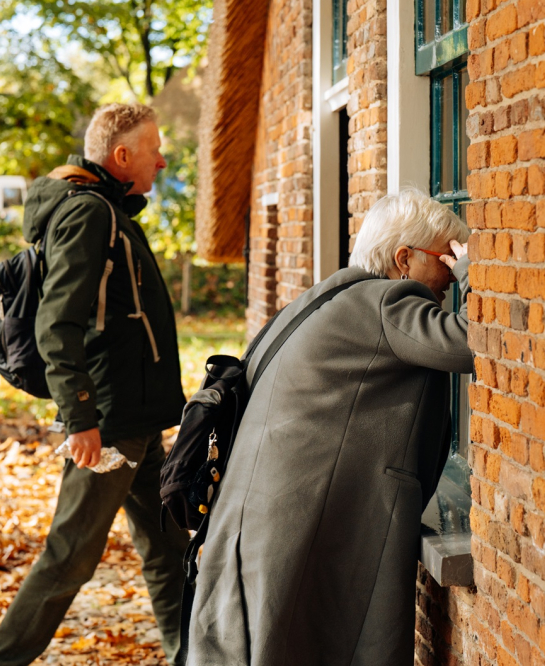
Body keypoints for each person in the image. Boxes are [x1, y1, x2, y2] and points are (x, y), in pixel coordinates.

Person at [186, 188, 475, 666]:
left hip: (263, 520)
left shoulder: (332, 296)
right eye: (445, 258)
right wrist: (476, 274)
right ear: (404, 259)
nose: (448, 274)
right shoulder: (387, 301)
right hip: (295, 527)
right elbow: (471, 343)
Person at [0, 104, 190, 666]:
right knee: (72, 553)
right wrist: (81, 419)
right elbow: (57, 323)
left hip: (138, 420)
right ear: (122, 157)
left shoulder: (112, 212)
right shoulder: (89, 214)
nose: (162, 159)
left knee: (168, 549)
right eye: (154, 150)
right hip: (112, 421)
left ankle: (189, 655)